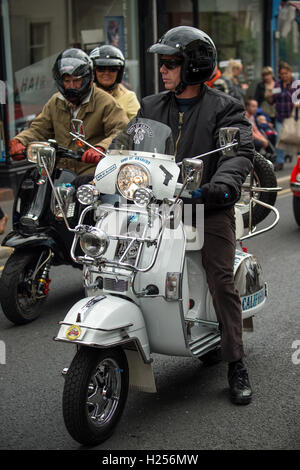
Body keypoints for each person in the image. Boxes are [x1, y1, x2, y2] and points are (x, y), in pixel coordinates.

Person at [138, 26, 254, 405]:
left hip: (206, 206)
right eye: (163, 63)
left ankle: (235, 361)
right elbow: (130, 152)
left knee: (220, 276)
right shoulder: (150, 106)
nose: (163, 70)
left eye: (171, 63)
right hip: (156, 207)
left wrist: (220, 186)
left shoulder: (225, 108)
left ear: (193, 68)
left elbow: (237, 153)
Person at [9, 48, 129, 175]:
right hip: (60, 172)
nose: (72, 85)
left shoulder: (105, 102)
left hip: (93, 173)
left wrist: (101, 148)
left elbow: (122, 132)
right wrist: (19, 141)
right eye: (67, 81)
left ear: (87, 79)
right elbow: (38, 129)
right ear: (60, 81)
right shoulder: (55, 101)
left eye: (77, 80)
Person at [89, 45, 140, 121]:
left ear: (119, 73)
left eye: (112, 69)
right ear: (93, 72)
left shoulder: (128, 97)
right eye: (101, 69)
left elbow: (138, 126)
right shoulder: (86, 96)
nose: (106, 73)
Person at [271, 61, 295, 171]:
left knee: (296, 138)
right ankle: (280, 161)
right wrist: (269, 95)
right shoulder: (277, 84)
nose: (284, 76)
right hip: (280, 116)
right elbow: (272, 100)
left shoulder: (296, 84)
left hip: (293, 117)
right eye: (282, 74)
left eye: (286, 73)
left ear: (290, 72)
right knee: (279, 139)